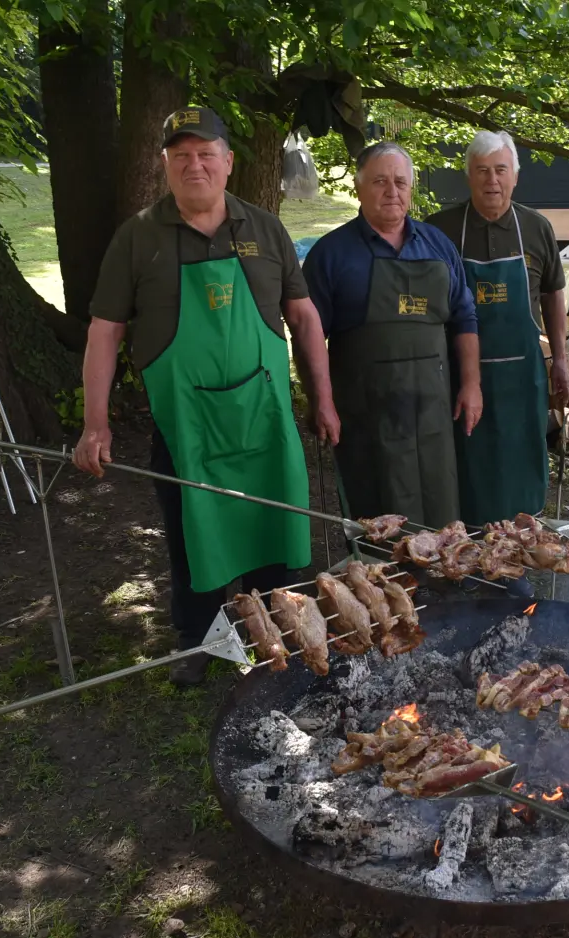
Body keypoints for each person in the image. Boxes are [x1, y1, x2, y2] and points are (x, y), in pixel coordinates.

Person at [74, 105, 339, 686]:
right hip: (186, 422)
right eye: (181, 154)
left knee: (275, 522)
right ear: (165, 163)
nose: (195, 164)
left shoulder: (264, 228)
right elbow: (104, 330)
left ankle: (282, 632)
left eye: (205, 153)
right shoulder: (138, 237)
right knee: (192, 530)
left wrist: (323, 397)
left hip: (264, 418)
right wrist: (96, 423)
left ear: (228, 161)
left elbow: (303, 314)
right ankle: (201, 640)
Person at [303, 142, 482, 529]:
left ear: (411, 188)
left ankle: (438, 583)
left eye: (401, 182)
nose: (392, 191)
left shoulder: (438, 245)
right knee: (378, 520)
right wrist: (321, 401)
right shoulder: (331, 254)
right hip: (367, 416)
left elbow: (464, 317)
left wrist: (471, 384)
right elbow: (309, 335)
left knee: (441, 517)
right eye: (380, 181)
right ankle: (376, 586)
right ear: (358, 186)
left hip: (434, 412)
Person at [425, 131, 569, 598]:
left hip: (522, 376)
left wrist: (562, 359)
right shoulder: (440, 229)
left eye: (501, 170)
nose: (492, 180)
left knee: (519, 468)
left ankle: (514, 566)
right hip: (460, 377)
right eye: (482, 170)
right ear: (468, 174)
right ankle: (463, 564)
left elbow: (551, 294)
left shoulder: (537, 228)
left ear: (516, 177)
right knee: (467, 469)